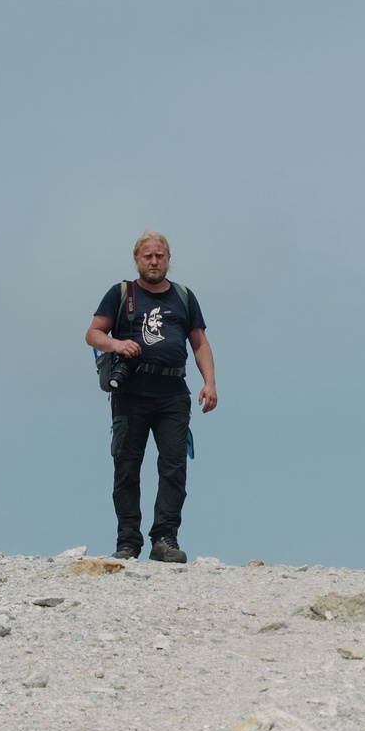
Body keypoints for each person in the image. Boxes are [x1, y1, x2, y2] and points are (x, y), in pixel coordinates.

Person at [85, 230, 217, 562]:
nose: (154, 261)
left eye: (160, 256)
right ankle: (128, 541)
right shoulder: (121, 294)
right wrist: (116, 344)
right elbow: (93, 333)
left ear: (169, 259)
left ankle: (165, 539)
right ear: (137, 260)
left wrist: (210, 383)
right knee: (127, 467)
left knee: (173, 467)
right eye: (148, 256)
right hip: (131, 394)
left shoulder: (184, 297)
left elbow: (199, 342)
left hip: (173, 394)